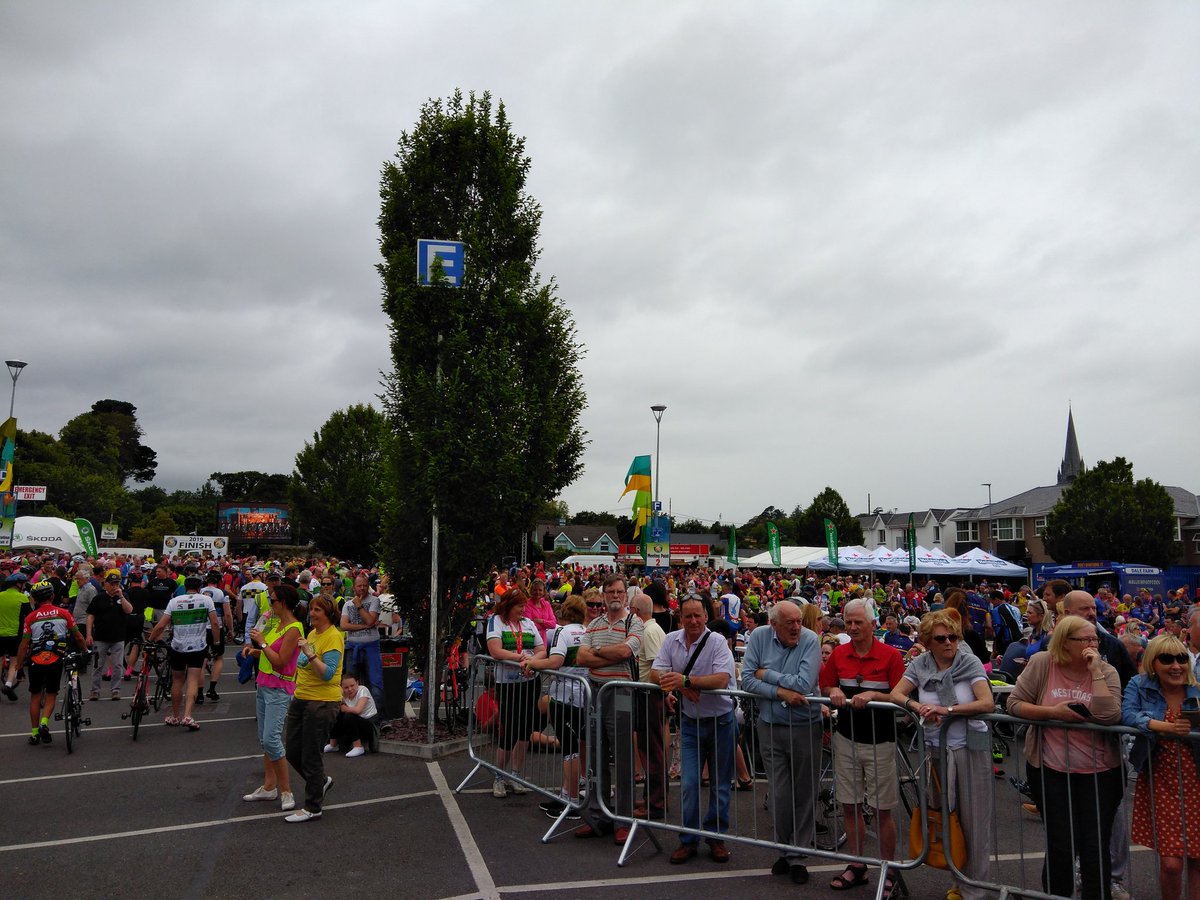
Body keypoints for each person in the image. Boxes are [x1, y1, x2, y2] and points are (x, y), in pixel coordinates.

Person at [1008, 613, 1123, 900]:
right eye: (1085, 639)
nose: (1092, 644)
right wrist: (1052, 713)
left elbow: (1110, 715)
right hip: (1051, 769)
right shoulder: (1042, 664)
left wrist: (1095, 671)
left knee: (1095, 844)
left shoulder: (1107, 671)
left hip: (1100, 772)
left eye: (1095, 638)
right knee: (1061, 842)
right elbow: (1013, 704)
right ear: (1066, 642)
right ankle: (1056, 896)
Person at [889, 610, 994, 900]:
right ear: (927, 641)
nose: (949, 642)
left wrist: (947, 711)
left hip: (969, 749)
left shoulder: (968, 661)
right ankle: (959, 881)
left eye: (953, 636)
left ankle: (975, 891)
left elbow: (986, 702)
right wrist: (915, 705)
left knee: (974, 822)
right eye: (941, 638)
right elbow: (897, 693)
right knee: (949, 820)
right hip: (935, 751)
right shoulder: (921, 664)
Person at [819, 598, 906, 895]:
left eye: (859, 622)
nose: (853, 627)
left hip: (880, 741)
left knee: (882, 809)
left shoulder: (891, 655)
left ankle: (887, 867)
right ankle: (856, 864)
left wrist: (872, 694)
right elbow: (826, 686)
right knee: (850, 804)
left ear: (873, 624)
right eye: (849, 622)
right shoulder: (839, 655)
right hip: (846, 739)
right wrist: (833, 692)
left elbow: (899, 696)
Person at [740, 599, 821, 884]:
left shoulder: (811, 640)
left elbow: (804, 684)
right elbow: (746, 680)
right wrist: (780, 693)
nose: (797, 627)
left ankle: (798, 856)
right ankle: (784, 849)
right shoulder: (760, 637)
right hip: (770, 725)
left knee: (804, 792)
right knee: (779, 793)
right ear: (774, 624)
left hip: (804, 725)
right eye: (791, 623)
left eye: (799, 621)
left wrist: (767, 676)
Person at [652, 594, 737, 865]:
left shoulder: (717, 642)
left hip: (721, 720)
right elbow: (655, 673)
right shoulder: (671, 639)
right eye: (687, 616)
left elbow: (722, 678)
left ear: (706, 616)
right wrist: (680, 686)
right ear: (680, 617)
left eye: (697, 615)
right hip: (690, 723)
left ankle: (715, 836)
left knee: (720, 784)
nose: (693, 621)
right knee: (689, 784)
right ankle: (688, 839)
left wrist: (686, 680)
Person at [1122, 634, 1200, 900]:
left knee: (1198, 860)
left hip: (1196, 781)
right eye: (1167, 659)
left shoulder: (1197, 689)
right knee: (1171, 863)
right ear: (1153, 663)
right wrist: (1164, 726)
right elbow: (1128, 713)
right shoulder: (1139, 684)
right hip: (1161, 780)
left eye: (1181, 659)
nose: (1176, 665)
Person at [574, 573, 644, 843]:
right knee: (595, 756)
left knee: (623, 757)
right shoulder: (595, 624)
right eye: (610, 592)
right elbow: (581, 657)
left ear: (625, 595)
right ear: (603, 595)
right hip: (595, 692)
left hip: (621, 692)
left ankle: (623, 820)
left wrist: (598, 655)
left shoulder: (634, 622)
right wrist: (608, 653)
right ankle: (597, 816)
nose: (615, 596)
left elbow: (626, 653)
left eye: (619, 591)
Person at [522, 594, 588, 819]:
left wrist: (532, 663)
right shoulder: (587, 631)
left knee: (569, 749)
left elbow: (555, 661)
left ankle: (570, 800)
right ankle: (566, 793)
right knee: (575, 746)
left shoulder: (563, 632)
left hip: (565, 695)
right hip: (583, 695)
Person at [242, 582, 304, 813]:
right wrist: (255, 651)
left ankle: (286, 790)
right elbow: (270, 655)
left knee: (272, 738)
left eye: (273, 600)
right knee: (264, 739)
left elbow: (281, 660)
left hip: (279, 688)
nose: (269, 603)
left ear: (284, 603)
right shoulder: (276, 624)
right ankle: (269, 786)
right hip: (264, 685)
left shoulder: (294, 628)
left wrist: (262, 642)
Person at [284, 593, 344, 822]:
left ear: (329, 613)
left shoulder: (333, 637)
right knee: (292, 751)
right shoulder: (312, 634)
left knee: (311, 755)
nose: (312, 614)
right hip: (301, 698)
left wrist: (309, 654)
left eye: (317, 610)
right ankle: (321, 781)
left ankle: (313, 807)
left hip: (321, 702)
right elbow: (301, 665)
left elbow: (328, 674)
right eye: (311, 609)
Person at [485, 586, 546, 798]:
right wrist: (519, 658)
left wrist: (533, 661)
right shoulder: (496, 621)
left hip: (530, 681)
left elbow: (541, 649)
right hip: (508, 684)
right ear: (508, 606)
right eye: (520, 606)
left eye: (523, 606)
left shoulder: (528, 623)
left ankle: (516, 775)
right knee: (509, 730)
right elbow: (495, 649)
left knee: (524, 730)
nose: (523, 609)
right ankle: (499, 777)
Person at [15, 580, 88, 744]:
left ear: (34, 599)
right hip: (56, 659)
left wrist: (18, 665)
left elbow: (24, 644)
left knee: (35, 697)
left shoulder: (31, 618)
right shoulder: (63, 613)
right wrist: (84, 651)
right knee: (51, 694)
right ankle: (44, 722)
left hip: (35, 660)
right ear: (53, 596)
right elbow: (78, 636)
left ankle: (34, 734)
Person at [148, 575, 219, 731]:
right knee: (193, 680)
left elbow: (161, 625)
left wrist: (150, 640)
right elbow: (214, 622)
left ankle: (175, 716)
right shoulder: (206, 600)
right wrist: (217, 641)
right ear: (200, 587)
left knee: (177, 680)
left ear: (185, 587)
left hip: (178, 646)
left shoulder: (174, 601)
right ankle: (188, 715)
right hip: (198, 646)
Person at [629, 592, 667, 820]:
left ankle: (656, 803)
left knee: (651, 751)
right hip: (646, 694)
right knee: (649, 748)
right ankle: (652, 798)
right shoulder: (652, 629)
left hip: (648, 695)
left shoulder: (650, 631)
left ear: (636, 612)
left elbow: (657, 668)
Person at [86, 572, 133, 701]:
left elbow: (129, 610)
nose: (114, 586)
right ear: (105, 584)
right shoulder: (98, 598)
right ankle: (95, 690)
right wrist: (89, 634)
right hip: (101, 637)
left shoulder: (124, 596)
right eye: (112, 584)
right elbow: (90, 616)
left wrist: (122, 597)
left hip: (118, 637)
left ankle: (115, 690)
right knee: (98, 665)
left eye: (116, 584)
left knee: (117, 665)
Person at [340, 573, 383, 711]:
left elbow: (371, 620)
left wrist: (359, 606)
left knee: (375, 683)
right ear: (354, 587)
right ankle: (352, 712)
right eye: (359, 586)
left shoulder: (374, 601)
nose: (362, 588)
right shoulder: (347, 604)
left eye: (365, 585)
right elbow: (344, 625)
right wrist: (365, 626)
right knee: (350, 683)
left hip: (371, 648)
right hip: (353, 648)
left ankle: (379, 718)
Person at [325, 673, 378, 758]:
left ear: (357, 683)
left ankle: (358, 747)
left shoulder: (363, 690)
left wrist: (344, 707)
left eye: (352, 685)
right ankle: (333, 744)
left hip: (369, 723)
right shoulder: (342, 694)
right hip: (354, 724)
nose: (350, 689)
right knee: (335, 714)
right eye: (346, 687)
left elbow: (358, 710)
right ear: (341, 687)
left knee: (348, 716)